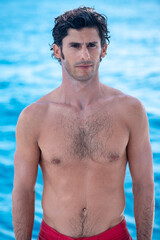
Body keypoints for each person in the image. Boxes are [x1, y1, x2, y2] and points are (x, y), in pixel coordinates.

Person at [12, 6, 155, 240]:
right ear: (58, 51)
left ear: (104, 49)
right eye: (75, 46)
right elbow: (23, 192)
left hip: (114, 235)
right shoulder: (34, 117)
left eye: (92, 45)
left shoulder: (131, 111)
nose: (85, 56)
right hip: (53, 236)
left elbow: (144, 186)